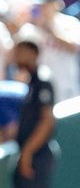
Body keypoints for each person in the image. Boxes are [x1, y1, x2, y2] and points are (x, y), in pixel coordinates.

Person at [12, 39, 57, 188]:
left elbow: (47, 121)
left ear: (33, 53)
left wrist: (27, 153)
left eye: (21, 52)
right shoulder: (30, 81)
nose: (16, 56)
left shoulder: (42, 80)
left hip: (38, 154)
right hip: (29, 152)